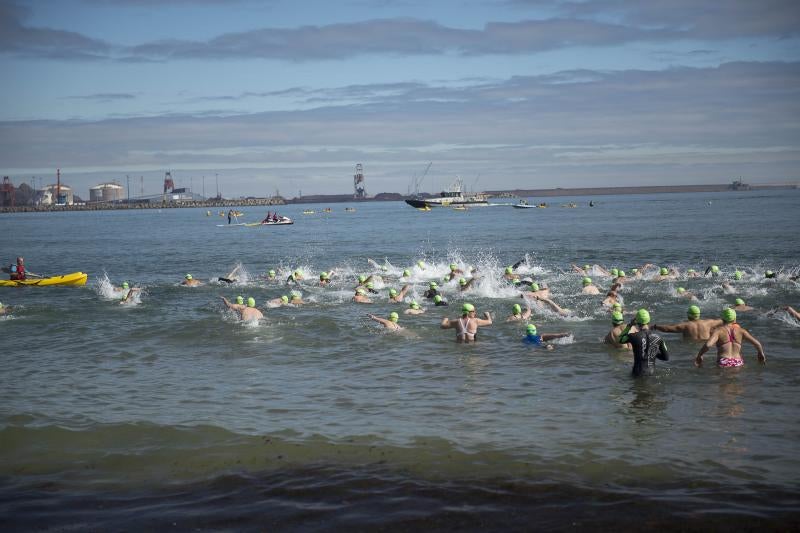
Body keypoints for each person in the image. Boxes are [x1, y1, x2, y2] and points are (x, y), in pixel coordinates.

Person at [695, 309, 766, 368]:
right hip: (738, 362)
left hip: (724, 361)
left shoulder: (718, 331)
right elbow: (757, 344)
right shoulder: (741, 331)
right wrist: (760, 353)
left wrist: (700, 355)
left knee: (723, 383)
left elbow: (708, 345)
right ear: (735, 319)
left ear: (722, 319)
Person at [618, 309, 669, 377]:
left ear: (637, 322)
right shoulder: (658, 338)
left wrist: (629, 325)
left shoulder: (633, 336)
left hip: (637, 374)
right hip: (651, 374)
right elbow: (666, 357)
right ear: (649, 320)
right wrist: (652, 353)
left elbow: (620, 339)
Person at [653, 305, 722, 342]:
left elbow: (667, 329)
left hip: (690, 346)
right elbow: (723, 320)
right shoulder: (709, 323)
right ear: (699, 314)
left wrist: (655, 326)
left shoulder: (685, 325)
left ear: (689, 315)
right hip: (705, 344)